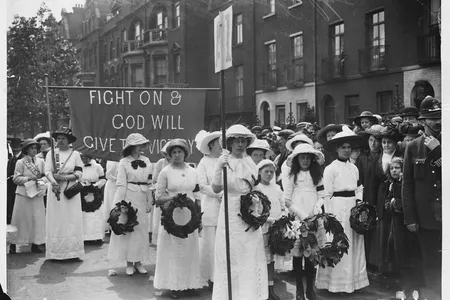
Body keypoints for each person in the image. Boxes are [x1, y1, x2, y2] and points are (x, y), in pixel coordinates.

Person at [211, 124, 268, 300]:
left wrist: (257, 203)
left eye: (243, 141)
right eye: (236, 141)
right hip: (230, 210)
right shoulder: (224, 161)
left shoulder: (250, 162)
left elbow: (256, 185)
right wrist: (219, 168)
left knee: (249, 253)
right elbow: (215, 188)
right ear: (229, 143)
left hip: (249, 210)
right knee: (231, 253)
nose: (240, 145)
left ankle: (249, 295)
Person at [316, 126, 369, 293]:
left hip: (353, 208)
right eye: (343, 147)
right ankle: (334, 284)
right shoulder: (331, 169)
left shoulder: (353, 168)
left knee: (353, 243)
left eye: (349, 147)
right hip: (337, 208)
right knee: (339, 241)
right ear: (337, 149)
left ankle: (352, 283)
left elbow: (359, 188)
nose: (346, 150)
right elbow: (326, 194)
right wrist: (330, 217)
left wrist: (359, 204)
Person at [153, 139, 205, 299]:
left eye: (180, 152)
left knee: (189, 248)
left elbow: (197, 195)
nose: (177, 155)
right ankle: (174, 285)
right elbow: (158, 196)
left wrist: (199, 216)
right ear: (169, 155)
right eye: (173, 152)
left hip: (189, 215)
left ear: (185, 153)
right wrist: (173, 199)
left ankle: (189, 284)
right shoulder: (165, 172)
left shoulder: (193, 171)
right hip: (172, 214)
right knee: (174, 250)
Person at [402, 96, 442, 300]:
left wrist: (438, 151)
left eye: (439, 117)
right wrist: (410, 217)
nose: (437, 122)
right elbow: (407, 184)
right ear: (422, 121)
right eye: (432, 118)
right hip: (424, 216)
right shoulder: (412, 147)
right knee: (429, 262)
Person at [283, 144, 325, 300]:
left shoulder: (317, 175)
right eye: (302, 157)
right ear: (297, 159)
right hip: (297, 219)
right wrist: (300, 214)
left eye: (308, 157)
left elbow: (322, 194)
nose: (305, 160)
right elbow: (286, 200)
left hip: (313, 218)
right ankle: (299, 289)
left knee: (311, 253)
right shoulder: (291, 176)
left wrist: (317, 207)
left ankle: (310, 290)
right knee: (298, 254)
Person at [107, 133, 152, 275]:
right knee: (129, 229)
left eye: (142, 145)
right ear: (131, 147)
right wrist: (119, 204)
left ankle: (138, 262)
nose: (140, 148)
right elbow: (121, 183)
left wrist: (149, 200)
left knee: (141, 230)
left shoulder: (147, 160)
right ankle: (129, 263)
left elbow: (149, 182)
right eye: (138, 145)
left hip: (142, 195)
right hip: (128, 197)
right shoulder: (124, 162)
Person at [45, 128, 84, 260]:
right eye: (58, 138)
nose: (60, 141)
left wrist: (64, 178)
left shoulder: (75, 154)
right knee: (56, 220)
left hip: (70, 191)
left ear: (69, 140)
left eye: (63, 138)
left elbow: (79, 173)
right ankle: (56, 253)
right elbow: (47, 171)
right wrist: (53, 182)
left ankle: (72, 252)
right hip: (55, 190)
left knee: (71, 219)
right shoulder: (51, 153)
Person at [368, 126, 403, 274]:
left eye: (389, 142)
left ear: (395, 143)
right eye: (383, 142)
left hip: (397, 196)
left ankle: (396, 267)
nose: (386, 145)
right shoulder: (377, 158)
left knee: (395, 232)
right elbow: (372, 182)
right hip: (381, 197)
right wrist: (372, 203)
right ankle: (383, 267)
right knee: (382, 231)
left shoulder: (401, 156)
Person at [9, 139, 47, 254]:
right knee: (20, 219)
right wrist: (29, 179)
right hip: (24, 194)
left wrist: (41, 181)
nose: (34, 150)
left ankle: (36, 243)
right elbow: (15, 179)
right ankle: (14, 242)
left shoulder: (41, 162)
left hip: (37, 193)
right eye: (32, 148)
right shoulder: (20, 162)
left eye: (36, 148)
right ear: (26, 150)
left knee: (37, 219)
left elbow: (45, 176)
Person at [195, 131, 223, 290]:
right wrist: (217, 194)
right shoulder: (204, 163)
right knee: (210, 244)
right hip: (211, 207)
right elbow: (202, 186)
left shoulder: (225, 160)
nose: (221, 145)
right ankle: (212, 278)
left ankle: (223, 276)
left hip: (226, 206)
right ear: (211, 144)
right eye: (219, 142)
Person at [254, 159, 284, 300]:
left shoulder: (277, 188)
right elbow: (255, 211)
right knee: (261, 258)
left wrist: (282, 216)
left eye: (272, 172)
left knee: (271, 259)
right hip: (262, 227)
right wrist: (270, 219)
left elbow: (283, 205)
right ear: (259, 172)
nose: (269, 174)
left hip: (276, 228)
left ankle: (270, 289)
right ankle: (259, 289)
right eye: (266, 171)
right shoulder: (256, 189)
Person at [355, 124, 383, 264]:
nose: (374, 143)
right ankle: (364, 261)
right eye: (371, 140)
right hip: (366, 196)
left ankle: (375, 261)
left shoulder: (383, 157)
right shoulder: (362, 158)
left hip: (380, 196)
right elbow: (359, 180)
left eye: (377, 140)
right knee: (365, 227)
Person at [80, 153, 106, 242]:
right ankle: (85, 237)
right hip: (82, 191)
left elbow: (103, 179)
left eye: (86, 157)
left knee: (96, 214)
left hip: (95, 191)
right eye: (82, 157)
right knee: (84, 215)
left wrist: (95, 186)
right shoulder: (79, 167)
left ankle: (97, 236)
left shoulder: (97, 166)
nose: (84, 159)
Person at [151, 142, 171, 246]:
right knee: (159, 217)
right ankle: (158, 240)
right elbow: (154, 180)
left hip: (173, 195)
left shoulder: (180, 163)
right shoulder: (160, 163)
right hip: (162, 193)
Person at [7, 137, 23, 224]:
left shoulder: (23, 158)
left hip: (19, 186)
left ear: (21, 147)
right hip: (10, 187)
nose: (15, 149)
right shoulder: (11, 158)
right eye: (13, 147)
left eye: (17, 147)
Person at [102, 160, 119, 233]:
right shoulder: (111, 160)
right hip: (112, 185)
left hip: (121, 185)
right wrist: (117, 179)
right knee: (111, 204)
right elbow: (108, 175)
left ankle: (119, 224)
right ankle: (111, 225)